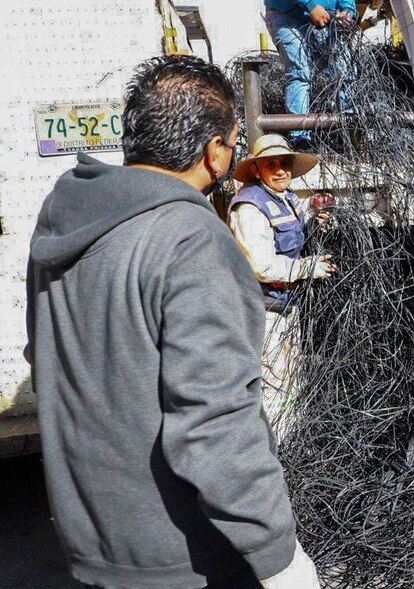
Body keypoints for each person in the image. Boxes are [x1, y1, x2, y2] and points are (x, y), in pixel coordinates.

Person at [25, 56, 318, 589]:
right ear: (215, 152)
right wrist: (280, 556)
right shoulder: (191, 238)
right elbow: (214, 421)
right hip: (184, 557)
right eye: (231, 142)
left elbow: (48, 359)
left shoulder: (62, 218)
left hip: (93, 541)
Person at [228, 133, 334, 443]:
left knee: (291, 378)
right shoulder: (249, 207)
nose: (279, 170)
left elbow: (303, 221)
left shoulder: (286, 197)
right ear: (257, 170)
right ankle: (279, 451)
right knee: (275, 385)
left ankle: (292, 441)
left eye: (284, 164)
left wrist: (319, 220)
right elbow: (260, 265)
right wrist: (306, 268)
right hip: (266, 311)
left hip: (287, 306)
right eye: (270, 164)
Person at [264, 0, 356, 147]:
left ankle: (352, 134)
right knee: (300, 74)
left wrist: (348, 10)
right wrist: (310, 4)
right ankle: (301, 141)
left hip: (327, 17)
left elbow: (348, 4)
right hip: (288, 14)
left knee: (345, 74)